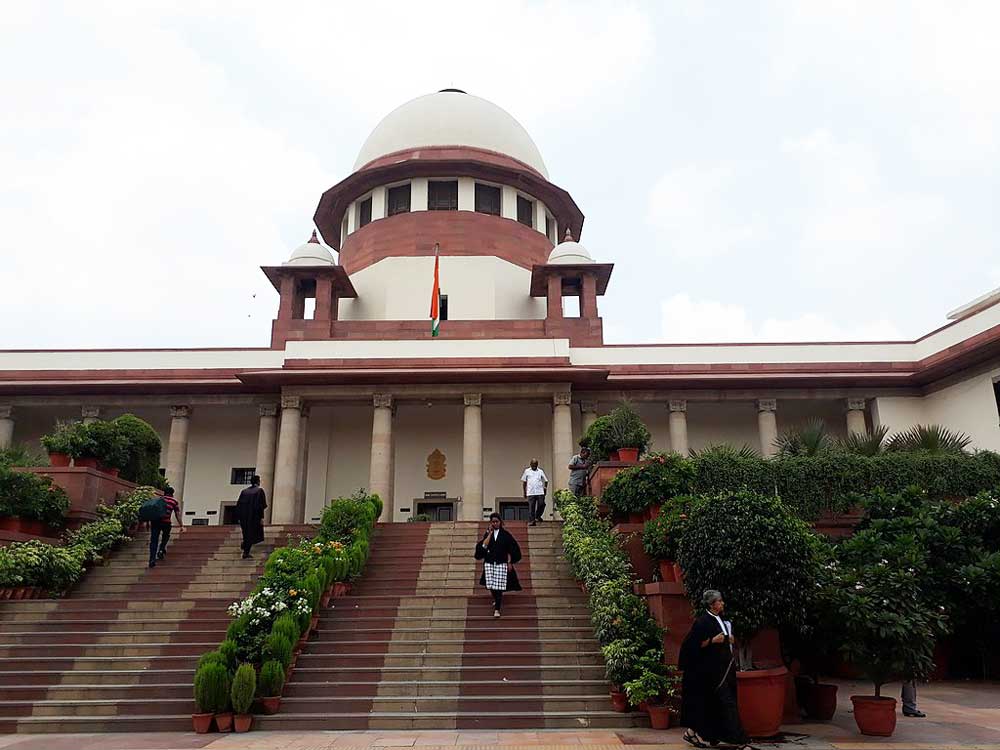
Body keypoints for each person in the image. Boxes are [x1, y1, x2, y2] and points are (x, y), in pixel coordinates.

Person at [678, 589, 750, 749]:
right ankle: (740, 741)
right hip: (711, 673)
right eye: (720, 601)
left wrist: (729, 639)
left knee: (713, 706)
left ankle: (692, 733)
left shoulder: (722, 620)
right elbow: (691, 645)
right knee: (726, 704)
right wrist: (712, 640)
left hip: (724, 670)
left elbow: (725, 642)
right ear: (712, 604)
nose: (722, 603)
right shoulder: (703, 622)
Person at [474, 512, 522, 617]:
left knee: (499, 586)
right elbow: (483, 546)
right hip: (489, 563)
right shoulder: (488, 534)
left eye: (497, 521)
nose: (495, 524)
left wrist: (510, 562)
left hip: (501, 563)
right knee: (490, 585)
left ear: (500, 522)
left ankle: (497, 609)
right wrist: (490, 533)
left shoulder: (505, 535)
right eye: (493, 522)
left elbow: (513, 548)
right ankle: (496, 599)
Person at [235, 474, 267, 559]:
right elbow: (261, 506)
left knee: (246, 533)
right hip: (254, 517)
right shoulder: (259, 491)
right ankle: (246, 551)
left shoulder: (244, 491)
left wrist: (238, 517)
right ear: (258, 482)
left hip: (243, 517)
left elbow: (238, 505)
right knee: (252, 534)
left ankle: (245, 544)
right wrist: (261, 517)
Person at [149, 486, 182, 568]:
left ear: (164, 492)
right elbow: (177, 514)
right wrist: (181, 525)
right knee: (165, 536)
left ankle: (152, 559)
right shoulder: (174, 501)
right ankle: (161, 549)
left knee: (154, 540)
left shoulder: (158, 499)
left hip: (155, 522)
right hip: (166, 522)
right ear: (172, 494)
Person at [520, 458, 549, 526]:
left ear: (537, 464)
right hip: (531, 492)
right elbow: (524, 482)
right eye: (533, 465)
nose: (534, 466)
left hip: (540, 491)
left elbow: (546, 480)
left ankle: (538, 516)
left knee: (542, 504)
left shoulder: (540, 471)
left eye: (535, 465)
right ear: (530, 464)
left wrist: (545, 488)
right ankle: (532, 521)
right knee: (531, 507)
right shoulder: (527, 471)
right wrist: (524, 492)